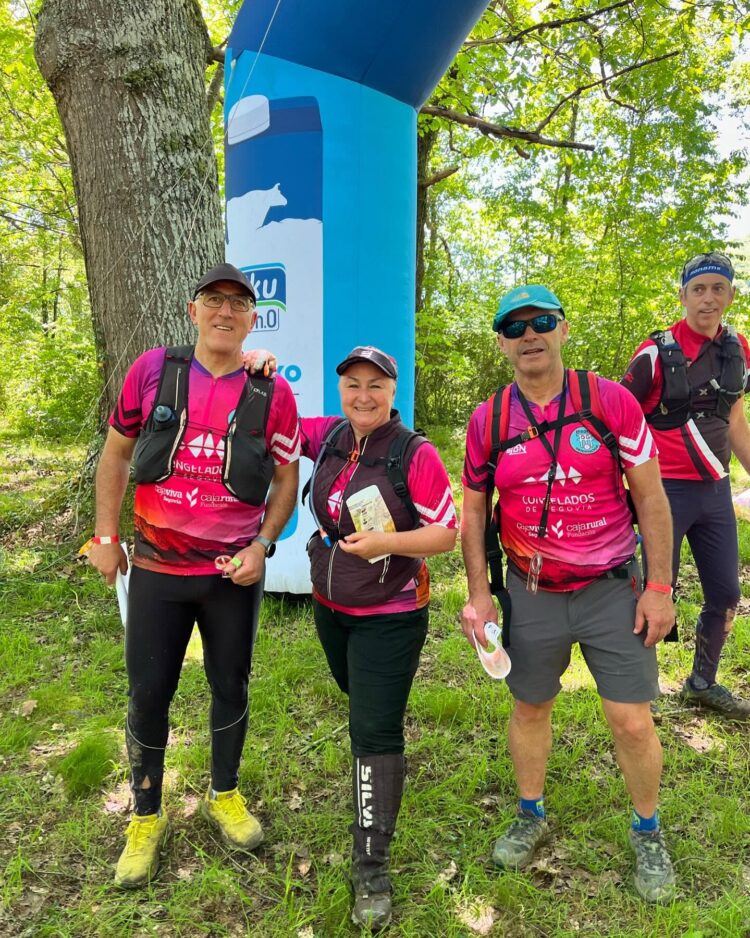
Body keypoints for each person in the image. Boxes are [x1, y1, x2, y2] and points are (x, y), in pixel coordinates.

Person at [461, 285, 677, 903]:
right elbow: (474, 516)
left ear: (561, 329)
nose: (530, 334)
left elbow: (652, 498)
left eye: (542, 321)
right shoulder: (490, 419)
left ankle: (647, 831)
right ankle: (530, 814)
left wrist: (659, 588)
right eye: (515, 326)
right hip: (530, 592)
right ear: (502, 341)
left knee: (631, 721)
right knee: (530, 708)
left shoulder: (608, 401)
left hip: (612, 588)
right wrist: (480, 593)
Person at [88, 263, 300, 888]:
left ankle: (224, 794)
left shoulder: (272, 391)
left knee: (229, 685)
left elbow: (286, 479)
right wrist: (105, 537)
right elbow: (117, 453)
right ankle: (146, 815)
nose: (225, 312)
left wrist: (265, 544)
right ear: (194, 309)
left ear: (252, 319)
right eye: (214, 300)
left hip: (232, 573)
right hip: (155, 566)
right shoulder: (154, 369)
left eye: (239, 303)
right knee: (149, 692)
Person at [299, 346, 457, 930]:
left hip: (390, 613)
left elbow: (446, 532)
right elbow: (272, 417)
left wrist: (389, 544)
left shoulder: (414, 455)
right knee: (358, 701)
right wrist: (256, 360)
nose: (363, 396)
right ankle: (379, 767)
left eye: (375, 386)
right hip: (330, 607)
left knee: (372, 730)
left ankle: (372, 864)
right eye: (352, 385)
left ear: (394, 392)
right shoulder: (332, 436)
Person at [622, 250, 750, 719]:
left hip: (715, 492)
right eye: (699, 289)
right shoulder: (655, 352)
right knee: (654, 590)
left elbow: (735, 420)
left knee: (726, 594)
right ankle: (640, 690)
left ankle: (702, 682)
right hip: (662, 493)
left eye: (718, 288)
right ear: (683, 296)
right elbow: (620, 420)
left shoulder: (739, 349)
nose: (708, 299)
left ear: (731, 294)